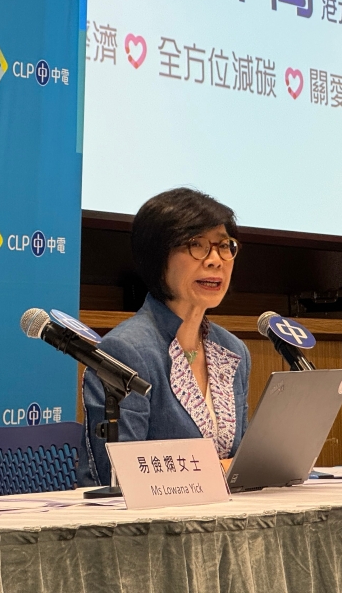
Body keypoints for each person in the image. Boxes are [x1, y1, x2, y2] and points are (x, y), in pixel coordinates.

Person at [82, 188, 251, 486]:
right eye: (196, 244)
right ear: (157, 257)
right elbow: (122, 476)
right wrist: (222, 470)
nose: (215, 260)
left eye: (224, 246)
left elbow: (244, 460)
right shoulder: (125, 350)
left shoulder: (232, 350)